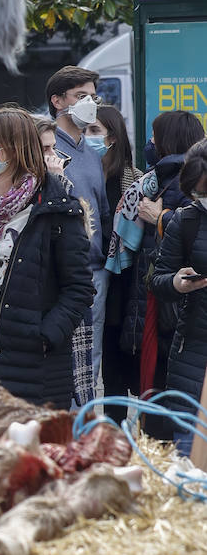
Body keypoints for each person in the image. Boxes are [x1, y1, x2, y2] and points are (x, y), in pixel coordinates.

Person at [0, 106, 94, 407]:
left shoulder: (55, 207)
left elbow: (79, 288)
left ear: (14, 148)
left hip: (32, 363)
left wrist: (44, 335)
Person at [124, 110, 205, 410]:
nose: (150, 142)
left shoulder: (176, 187)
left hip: (174, 319)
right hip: (174, 311)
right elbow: (161, 276)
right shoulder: (155, 181)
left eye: (155, 137)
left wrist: (161, 218)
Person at [47, 66, 110, 389]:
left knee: (89, 363)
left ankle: (83, 428)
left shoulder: (91, 152)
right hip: (58, 272)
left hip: (94, 271)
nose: (90, 104)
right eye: (81, 96)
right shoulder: (46, 147)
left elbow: (101, 211)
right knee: (60, 360)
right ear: (58, 101)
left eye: (93, 97)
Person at [152, 140, 207, 454]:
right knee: (188, 453)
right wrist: (176, 283)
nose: (202, 199)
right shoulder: (186, 220)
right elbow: (158, 279)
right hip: (194, 351)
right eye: (197, 194)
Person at [90, 105, 141, 407]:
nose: (88, 137)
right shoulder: (82, 177)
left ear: (114, 137)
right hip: (96, 289)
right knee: (106, 373)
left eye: (95, 131)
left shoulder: (135, 180)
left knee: (125, 372)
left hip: (125, 290)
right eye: (85, 131)